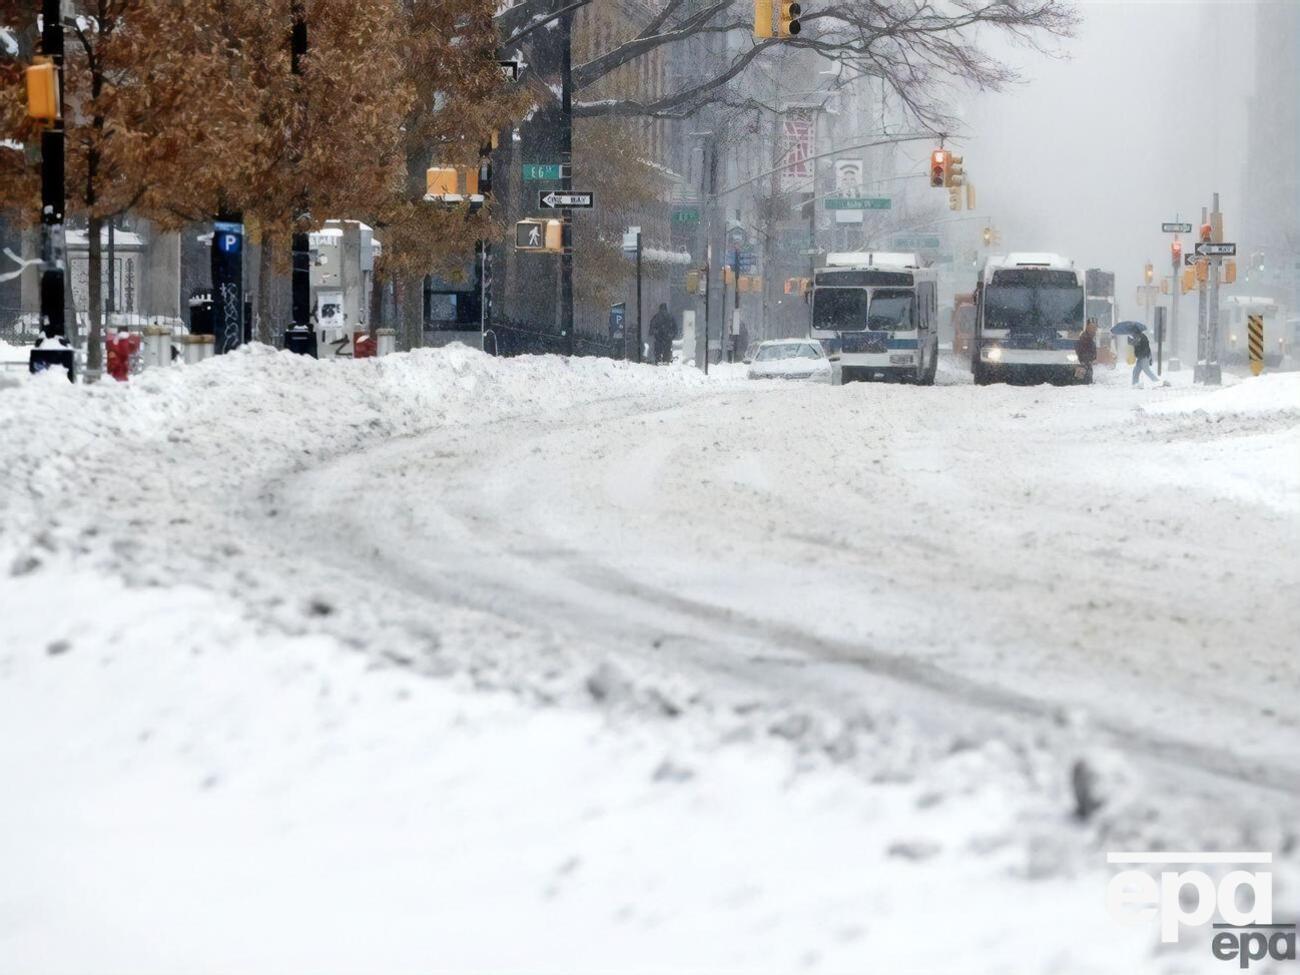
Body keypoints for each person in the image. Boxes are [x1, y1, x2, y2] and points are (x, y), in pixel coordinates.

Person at [1074, 318, 1098, 384]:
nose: (1094, 330)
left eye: (1095, 327)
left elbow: (1093, 351)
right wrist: (1083, 362)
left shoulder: (1091, 338)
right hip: (1083, 364)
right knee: (1081, 384)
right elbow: (1079, 350)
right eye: (1092, 327)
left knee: (1086, 383)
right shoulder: (1084, 338)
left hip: (1087, 364)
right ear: (1087, 328)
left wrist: (1093, 358)